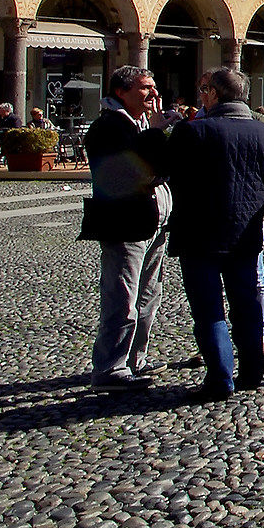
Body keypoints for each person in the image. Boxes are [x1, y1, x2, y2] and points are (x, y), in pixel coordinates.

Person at [166, 68, 264, 400]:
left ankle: (219, 377)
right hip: (246, 232)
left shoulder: (192, 132)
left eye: (204, 89)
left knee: (208, 309)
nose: (201, 94)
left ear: (213, 95)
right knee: (245, 304)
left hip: (199, 233)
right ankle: (251, 371)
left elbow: (170, 170)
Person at [79, 65, 171, 390]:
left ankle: (135, 358)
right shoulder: (110, 127)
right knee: (123, 296)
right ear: (122, 91)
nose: (153, 93)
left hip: (152, 222)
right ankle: (110, 368)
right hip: (126, 224)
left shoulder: (138, 123)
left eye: (153, 86)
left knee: (149, 293)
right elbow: (137, 170)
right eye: (145, 87)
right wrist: (157, 134)